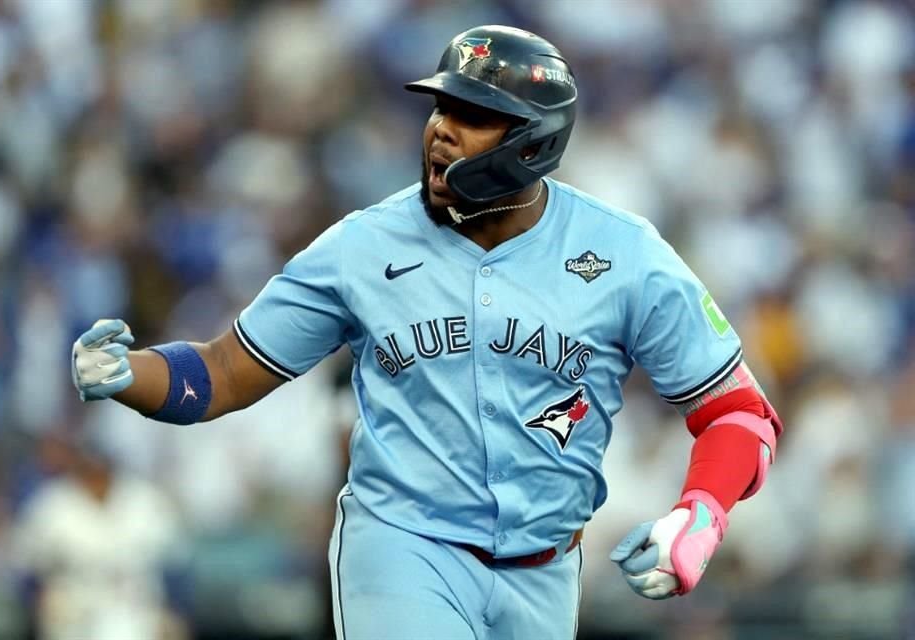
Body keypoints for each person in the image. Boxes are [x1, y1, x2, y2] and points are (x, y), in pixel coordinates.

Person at [71, 25, 783, 640]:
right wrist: (134, 374)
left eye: (472, 113)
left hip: (546, 568)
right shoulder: (361, 247)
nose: (441, 127)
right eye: (441, 106)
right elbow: (223, 373)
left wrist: (702, 513)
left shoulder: (624, 254)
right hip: (403, 545)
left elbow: (739, 414)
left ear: (532, 142)